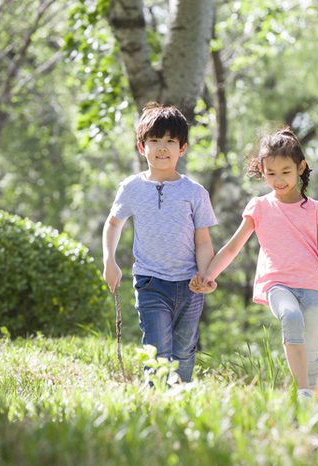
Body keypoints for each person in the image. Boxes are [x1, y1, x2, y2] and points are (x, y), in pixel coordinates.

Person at [190, 126, 318, 399]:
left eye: (285, 172)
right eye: (270, 173)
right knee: (290, 317)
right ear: (261, 172)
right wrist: (208, 275)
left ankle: (314, 404)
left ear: (301, 167)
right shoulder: (259, 206)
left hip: (312, 285)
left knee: (313, 352)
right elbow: (232, 247)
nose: (278, 180)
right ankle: (303, 391)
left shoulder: (315, 208)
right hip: (277, 283)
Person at [102, 102, 217, 384]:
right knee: (156, 351)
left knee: (184, 351)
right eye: (154, 140)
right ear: (142, 147)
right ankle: (155, 403)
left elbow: (203, 241)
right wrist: (110, 261)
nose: (162, 147)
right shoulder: (131, 188)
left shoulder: (195, 192)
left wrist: (206, 275)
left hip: (190, 286)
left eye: (170, 141)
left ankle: (181, 402)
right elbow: (113, 223)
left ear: (183, 148)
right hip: (150, 282)